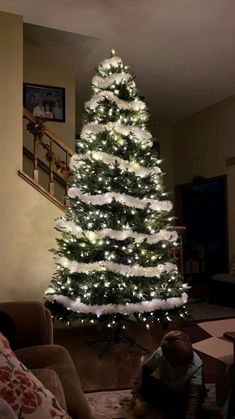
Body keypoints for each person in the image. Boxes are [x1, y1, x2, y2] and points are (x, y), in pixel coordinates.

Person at [131, 330, 206, 419]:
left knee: (188, 408)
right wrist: (136, 392)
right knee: (146, 389)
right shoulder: (160, 355)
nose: (187, 366)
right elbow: (145, 371)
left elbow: (194, 396)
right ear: (168, 360)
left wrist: (190, 416)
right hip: (169, 386)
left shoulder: (196, 365)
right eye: (182, 365)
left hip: (185, 393)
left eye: (188, 362)